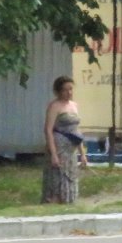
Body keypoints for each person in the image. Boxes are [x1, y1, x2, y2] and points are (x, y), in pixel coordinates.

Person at [42, 76, 87, 204]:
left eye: (71, 89)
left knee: (70, 176)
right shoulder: (54, 106)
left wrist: (82, 154)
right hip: (59, 146)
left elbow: (76, 130)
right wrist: (54, 154)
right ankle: (54, 201)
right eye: (65, 90)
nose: (69, 93)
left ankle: (69, 201)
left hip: (71, 148)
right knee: (57, 176)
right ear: (58, 91)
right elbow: (48, 130)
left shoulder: (74, 105)